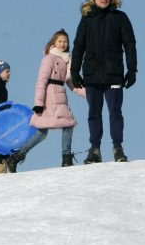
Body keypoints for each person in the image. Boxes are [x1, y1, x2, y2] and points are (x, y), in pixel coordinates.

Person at [71, 0, 137, 163]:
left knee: (115, 111)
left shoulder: (120, 17)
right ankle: (95, 150)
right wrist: (74, 71)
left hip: (114, 73)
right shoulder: (87, 19)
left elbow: (130, 44)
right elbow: (78, 46)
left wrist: (132, 70)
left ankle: (118, 148)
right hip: (91, 74)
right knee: (94, 112)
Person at [6, 30, 86, 172]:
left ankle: (16, 157)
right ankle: (66, 158)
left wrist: (89, 94)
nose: (63, 44)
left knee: (44, 131)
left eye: (65, 41)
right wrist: (39, 103)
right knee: (66, 125)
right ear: (54, 42)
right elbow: (41, 81)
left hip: (60, 96)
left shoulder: (67, 61)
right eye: (60, 41)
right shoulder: (49, 59)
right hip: (49, 97)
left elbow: (73, 84)